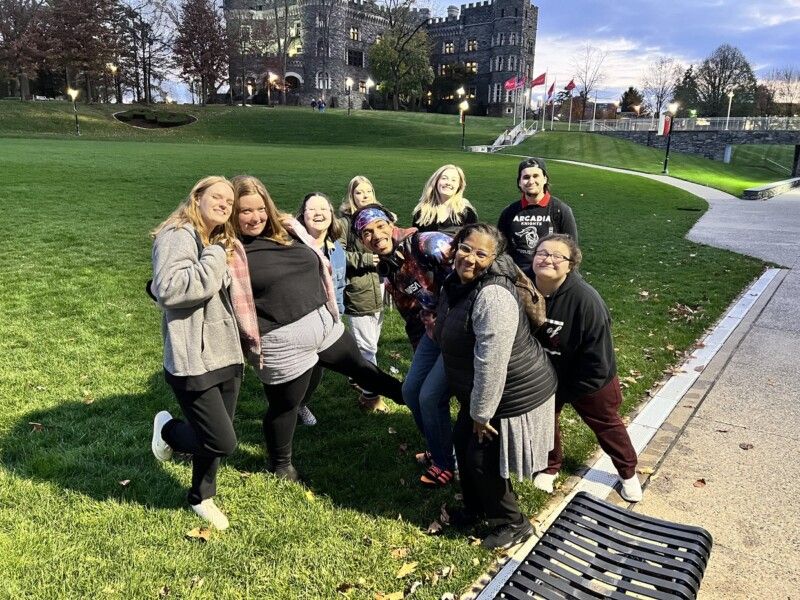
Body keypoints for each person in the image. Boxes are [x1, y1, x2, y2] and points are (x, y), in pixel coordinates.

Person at [230, 176, 403, 482]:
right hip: (281, 341)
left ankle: (418, 401)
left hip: (323, 324)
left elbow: (324, 255)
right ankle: (281, 465)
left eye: (259, 208)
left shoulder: (288, 231)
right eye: (245, 211)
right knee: (285, 407)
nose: (254, 217)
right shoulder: (229, 249)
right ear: (233, 213)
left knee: (364, 370)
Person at [435, 223, 557, 550]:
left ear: (494, 258)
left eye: (480, 253)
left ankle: (513, 523)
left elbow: (492, 361)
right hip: (486, 390)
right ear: (455, 246)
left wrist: (481, 413)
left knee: (481, 457)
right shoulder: (460, 282)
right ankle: (476, 509)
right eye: (465, 248)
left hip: (513, 391)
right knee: (463, 442)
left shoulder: (492, 297)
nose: (470, 258)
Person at [149, 176, 244, 530]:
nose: (224, 204)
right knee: (220, 440)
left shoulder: (212, 237)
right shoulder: (178, 234)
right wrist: (218, 255)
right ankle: (169, 431)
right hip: (192, 356)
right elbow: (170, 290)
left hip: (224, 351)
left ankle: (201, 496)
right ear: (197, 197)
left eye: (229, 201)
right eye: (216, 196)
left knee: (217, 430)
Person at [531, 234, 642, 502]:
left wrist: (570, 390)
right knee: (546, 420)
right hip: (547, 373)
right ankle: (550, 465)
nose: (548, 259)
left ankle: (628, 473)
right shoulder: (524, 286)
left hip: (589, 378)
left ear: (571, 265)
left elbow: (597, 361)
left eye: (558, 256)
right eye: (542, 253)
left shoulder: (586, 301)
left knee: (606, 424)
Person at [354, 204, 456, 487]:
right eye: (367, 233)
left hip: (459, 333)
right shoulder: (389, 264)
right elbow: (411, 309)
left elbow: (470, 272)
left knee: (429, 397)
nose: (375, 235)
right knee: (411, 392)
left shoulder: (426, 243)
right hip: (431, 333)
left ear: (390, 223)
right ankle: (440, 449)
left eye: (379, 226)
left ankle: (447, 462)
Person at [338, 176, 395, 413]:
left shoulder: (381, 216)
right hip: (358, 290)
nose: (365, 196)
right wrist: (363, 258)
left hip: (379, 288)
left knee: (371, 341)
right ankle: (371, 395)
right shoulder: (344, 223)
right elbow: (335, 255)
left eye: (368, 191)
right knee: (368, 347)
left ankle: (355, 375)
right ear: (351, 195)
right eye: (359, 192)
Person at [294, 192, 347, 426]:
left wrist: (339, 318)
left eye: (323, 209)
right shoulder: (292, 247)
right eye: (312, 210)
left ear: (331, 214)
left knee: (316, 370)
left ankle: (301, 404)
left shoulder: (336, 250)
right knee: (297, 371)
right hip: (297, 320)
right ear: (302, 215)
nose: (318, 214)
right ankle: (287, 408)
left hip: (326, 322)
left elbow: (340, 286)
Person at [497, 157, 578, 275]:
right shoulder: (509, 212)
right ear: (519, 182)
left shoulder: (561, 210)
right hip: (517, 276)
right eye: (526, 177)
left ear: (545, 179)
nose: (531, 181)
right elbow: (500, 249)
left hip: (549, 274)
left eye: (536, 176)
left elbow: (572, 251)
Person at [411, 164, 478, 236]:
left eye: (453, 180)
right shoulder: (422, 212)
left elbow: (473, 241)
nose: (448, 183)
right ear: (436, 181)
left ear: (459, 185)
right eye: (444, 178)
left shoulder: (466, 212)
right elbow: (415, 241)